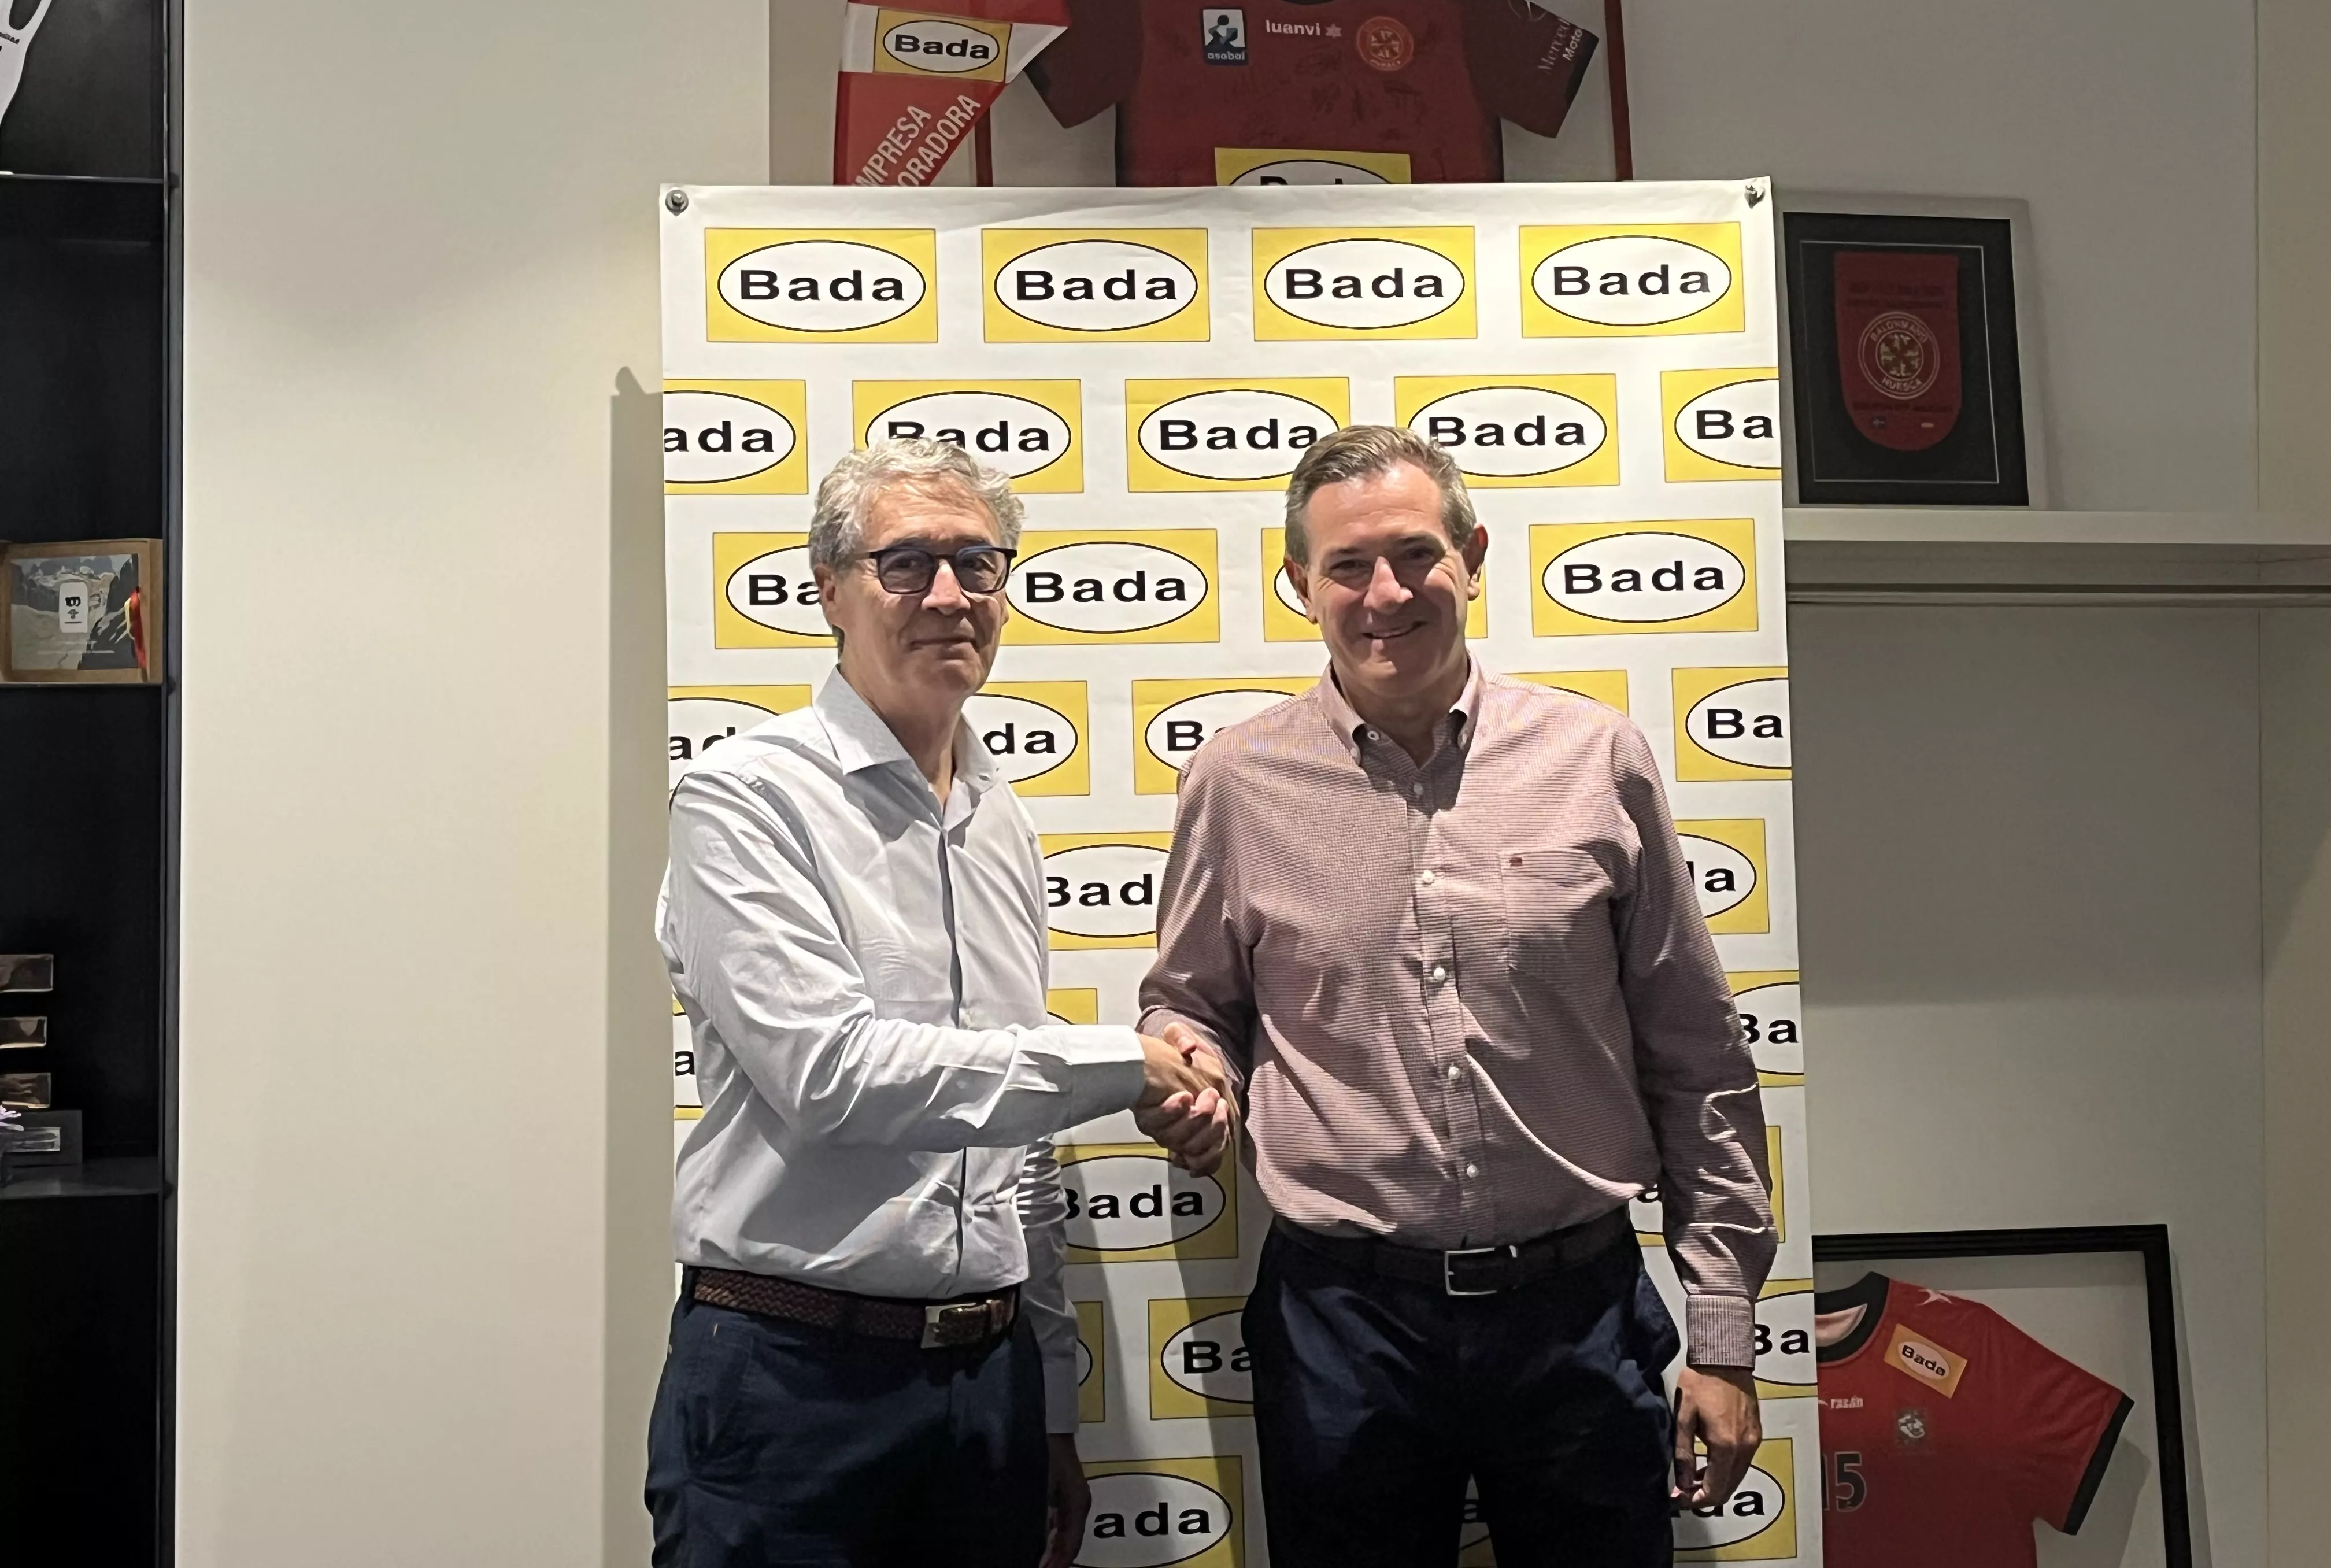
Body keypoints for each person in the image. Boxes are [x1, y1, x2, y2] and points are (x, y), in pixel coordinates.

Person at [1139, 425, 1775, 1567]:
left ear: (1473, 556)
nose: (1385, 592)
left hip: (1579, 1315)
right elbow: (1191, 1000)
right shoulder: (1237, 782)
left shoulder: (1598, 760)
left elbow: (1699, 1056)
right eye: (1346, 567)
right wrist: (1190, 1074)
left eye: (1415, 554)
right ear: (1299, 585)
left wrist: (1724, 1339)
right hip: (1343, 1323)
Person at [650, 438, 1232, 1568]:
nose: (951, 596)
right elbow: (831, 1077)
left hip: (989, 1385)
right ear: (830, 591)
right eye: (906, 563)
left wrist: (1052, 1397)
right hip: (787, 1382)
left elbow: (1013, 1143)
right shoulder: (745, 797)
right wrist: (1129, 1065)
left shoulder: (1000, 821)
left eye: (980, 562)